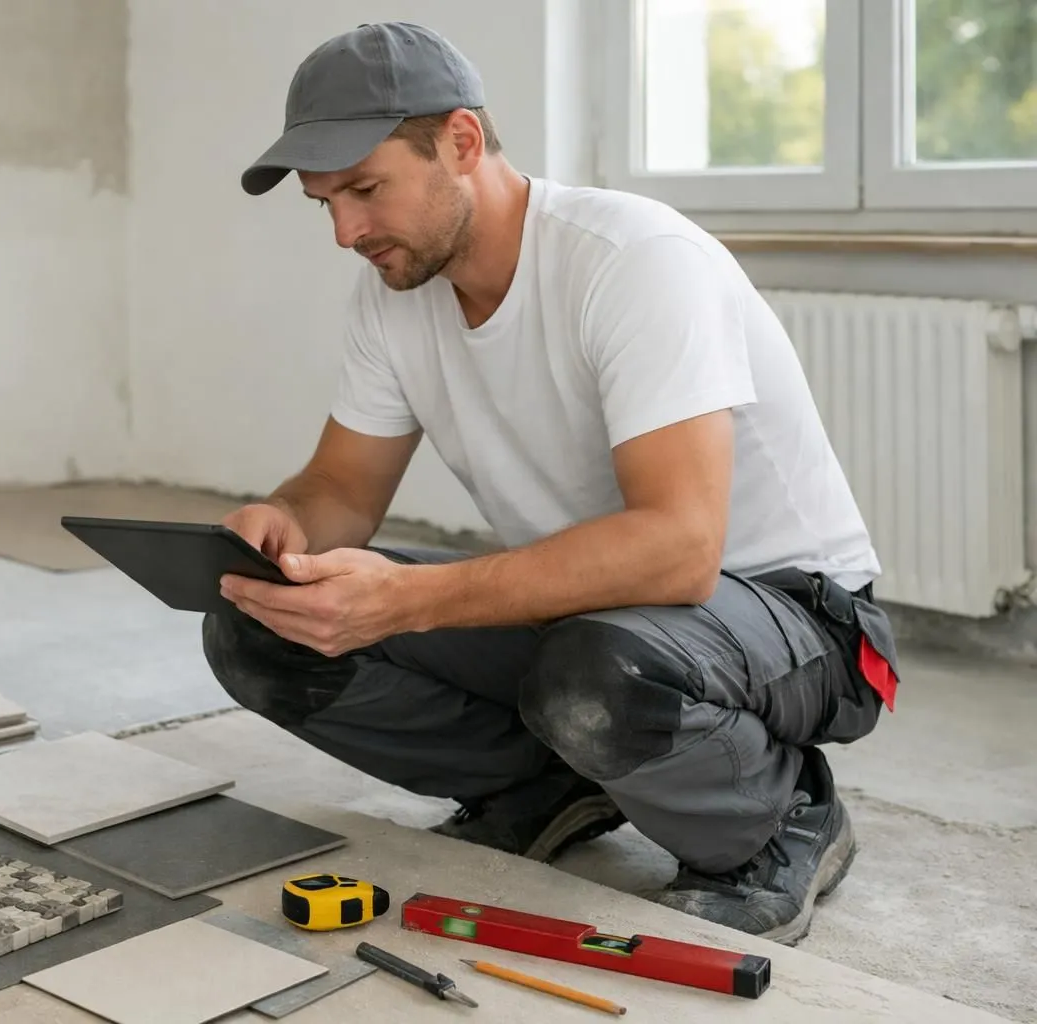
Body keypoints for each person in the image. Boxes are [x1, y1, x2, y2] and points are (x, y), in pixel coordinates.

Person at [199, 21, 902, 947]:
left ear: (460, 141)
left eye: (365, 190)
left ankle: (782, 817)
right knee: (263, 630)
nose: (345, 232)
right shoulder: (392, 294)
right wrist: (285, 522)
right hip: (600, 611)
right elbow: (342, 489)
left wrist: (410, 600)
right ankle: (546, 785)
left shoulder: (631, 260)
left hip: (803, 622)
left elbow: (680, 550)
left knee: (596, 674)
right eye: (324, 203)